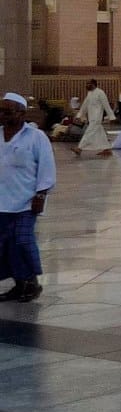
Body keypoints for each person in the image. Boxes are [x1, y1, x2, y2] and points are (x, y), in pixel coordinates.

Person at [0, 93, 53, 302]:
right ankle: (19, 283)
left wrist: (41, 193)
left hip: (25, 200)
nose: (2, 116)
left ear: (21, 113)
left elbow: (46, 167)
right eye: (0, 112)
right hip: (2, 201)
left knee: (22, 240)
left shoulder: (35, 137)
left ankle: (32, 281)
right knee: (5, 244)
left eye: (7, 112)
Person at [76, 80, 114, 156]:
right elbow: (84, 105)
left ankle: (79, 148)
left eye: (88, 84)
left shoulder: (100, 93)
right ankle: (107, 149)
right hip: (91, 117)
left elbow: (106, 105)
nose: (87, 85)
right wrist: (79, 115)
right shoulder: (89, 93)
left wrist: (111, 116)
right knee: (100, 133)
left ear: (93, 84)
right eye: (86, 83)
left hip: (97, 117)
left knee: (89, 132)